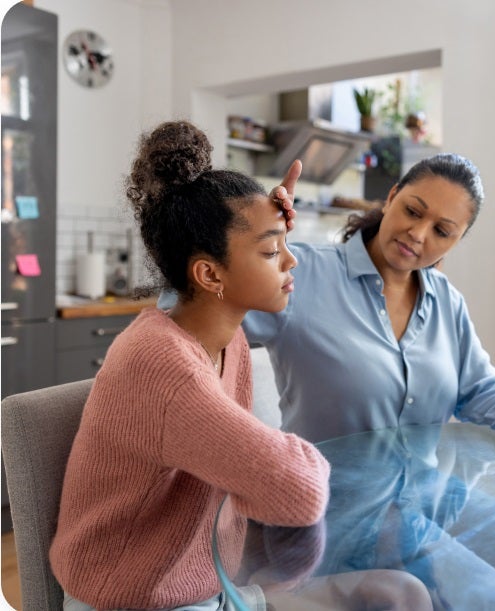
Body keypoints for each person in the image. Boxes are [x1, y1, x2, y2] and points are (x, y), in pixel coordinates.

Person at [48, 120, 332, 611]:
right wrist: (282, 465)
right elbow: (299, 492)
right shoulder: (162, 366)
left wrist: (270, 230)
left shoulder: (223, 335)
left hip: (205, 580)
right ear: (208, 273)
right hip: (137, 597)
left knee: (397, 593)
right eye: (270, 251)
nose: (291, 261)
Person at [239, 153, 495, 453]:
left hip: (419, 522)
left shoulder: (447, 301)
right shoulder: (301, 275)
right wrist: (251, 241)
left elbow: (478, 387)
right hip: (319, 517)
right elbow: (198, 308)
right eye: (413, 211)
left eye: (441, 231)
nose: (417, 234)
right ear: (391, 197)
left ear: (457, 240)